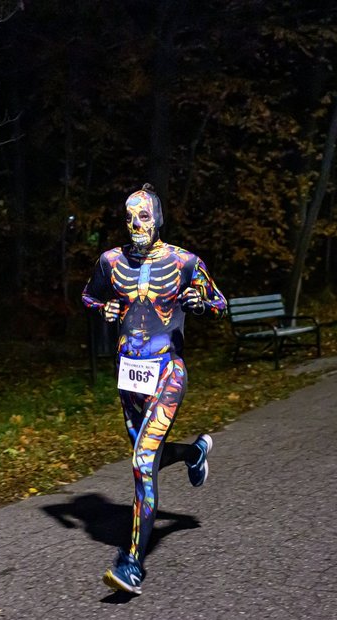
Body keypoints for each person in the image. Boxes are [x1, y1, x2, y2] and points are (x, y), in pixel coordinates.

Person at [81, 183, 227, 595]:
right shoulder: (110, 262)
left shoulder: (184, 261)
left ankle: (132, 565)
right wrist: (105, 307)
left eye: (143, 216)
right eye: (129, 218)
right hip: (129, 376)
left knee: (143, 462)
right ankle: (195, 451)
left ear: (158, 218)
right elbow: (89, 298)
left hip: (168, 371)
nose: (135, 225)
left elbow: (219, 302)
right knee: (152, 454)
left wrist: (200, 303)